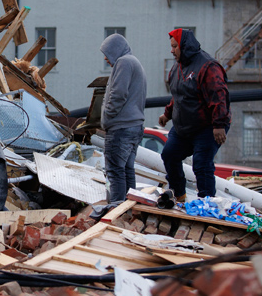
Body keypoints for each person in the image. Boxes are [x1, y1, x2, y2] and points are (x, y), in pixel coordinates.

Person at [159, 28, 231, 201]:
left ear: (185, 46)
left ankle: (207, 204)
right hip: (184, 127)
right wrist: (167, 114)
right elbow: (178, 96)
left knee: (201, 164)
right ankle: (179, 196)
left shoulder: (208, 67)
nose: (171, 50)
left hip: (207, 127)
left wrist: (219, 124)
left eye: (175, 46)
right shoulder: (176, 69)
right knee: (169, 154)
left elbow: (219, 96)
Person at [96, 34, 147, 216]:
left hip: (121, 129)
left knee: (116, 172)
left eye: (107, 53)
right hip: (134, 127)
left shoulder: (124, 62)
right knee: (126, 171)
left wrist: (106, 119)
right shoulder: (134, 62)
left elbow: (118, 95)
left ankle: (116, 215)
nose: (105, 58)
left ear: (116, 50)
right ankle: (129, 214)